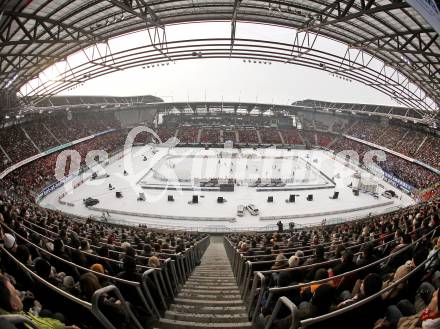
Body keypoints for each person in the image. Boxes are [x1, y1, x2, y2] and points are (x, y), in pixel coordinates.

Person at [0, 274, 80, 329]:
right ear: (14, 305)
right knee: (58, 315)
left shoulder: (11, 314)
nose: (19, 293)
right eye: (15, 293)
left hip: (46, 322)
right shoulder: (21, 321)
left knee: (50, 313)